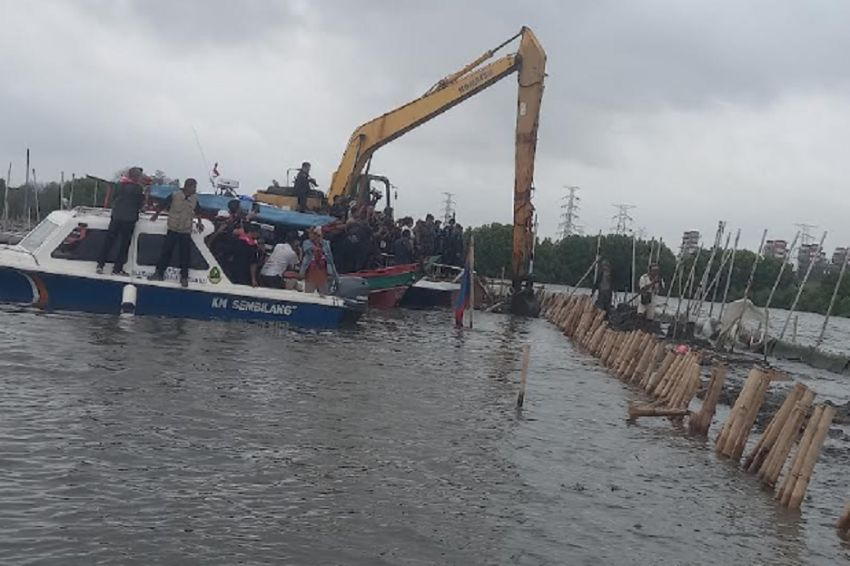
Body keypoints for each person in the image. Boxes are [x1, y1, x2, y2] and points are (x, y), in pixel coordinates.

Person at [148, 178, 204, 287]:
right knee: (166, 252)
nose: (195, 189)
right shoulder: (175, 195)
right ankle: (159, 273)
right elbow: (163, 205)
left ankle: (184, 277)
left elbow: (198, 212)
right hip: (173, 228)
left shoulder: (194, 199)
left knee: (185, 255)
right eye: (194, 187)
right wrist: (156, 214)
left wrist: (199, 223)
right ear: (188, 186)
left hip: (186, 230)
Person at [96, 166, 146, 275]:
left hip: (116, 216)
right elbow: (140, 205)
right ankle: (117, 269)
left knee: (108, 242)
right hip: (129, 219)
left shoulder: (119, 185)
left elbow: (114, 198)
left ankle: (100, 265)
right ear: (136, 177)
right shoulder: (138, 189)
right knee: (124, 245)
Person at [300, 227, 339, 294]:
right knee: (308, 295)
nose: (310, 235)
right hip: (311, 274)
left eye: (312, 233)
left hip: (323, 274)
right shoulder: (306, 243)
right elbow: (307, 249)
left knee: (324, 294)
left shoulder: (326, 244)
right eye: (309, 233)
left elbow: (330, 260)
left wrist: (335, 276)